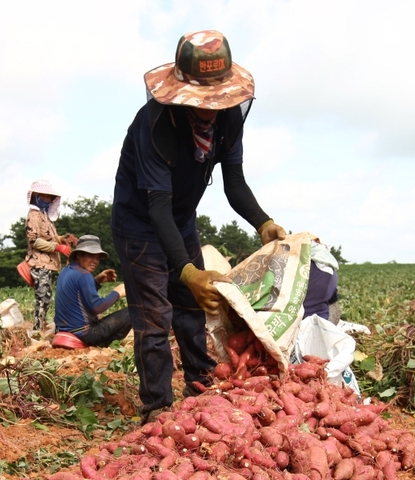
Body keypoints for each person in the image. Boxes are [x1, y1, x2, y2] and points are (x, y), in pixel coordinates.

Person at [111, 30, 286, 423]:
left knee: (192, 305)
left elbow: (235, 183)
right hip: (139, 224)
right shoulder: (154, 126)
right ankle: (156, 408)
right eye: (201, 100)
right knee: (155, 315)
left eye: (216, 99)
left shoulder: (227, 120)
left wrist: (263, 222)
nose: (210, 108)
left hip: (181, 220)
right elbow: (157, 207)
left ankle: (201, 384)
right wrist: (187, 270)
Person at [54, 235, 133, 347]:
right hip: (86, 334)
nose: (95, 261)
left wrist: (96, 281)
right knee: (133, 311)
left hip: (64, 330)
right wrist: (117, 293)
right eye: (91, 256)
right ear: (79, 255)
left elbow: (77, 296)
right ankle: (107, 343)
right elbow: (96, 307)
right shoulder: (84, 275)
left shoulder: (65, 271)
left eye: (97, 258)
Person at [24, 179, 75, 334]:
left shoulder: (44, 216)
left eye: (49, 197)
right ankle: (36, 331)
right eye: (44, 196)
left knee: (46, 297)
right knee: (43, 297)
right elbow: (33, 241)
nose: (47, 199)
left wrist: (62, 239)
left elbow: (50, 237)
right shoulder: (34, 215)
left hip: (48, 263)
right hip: (40, 263)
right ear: (36, 196)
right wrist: (58, 247)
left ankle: (40, 327)